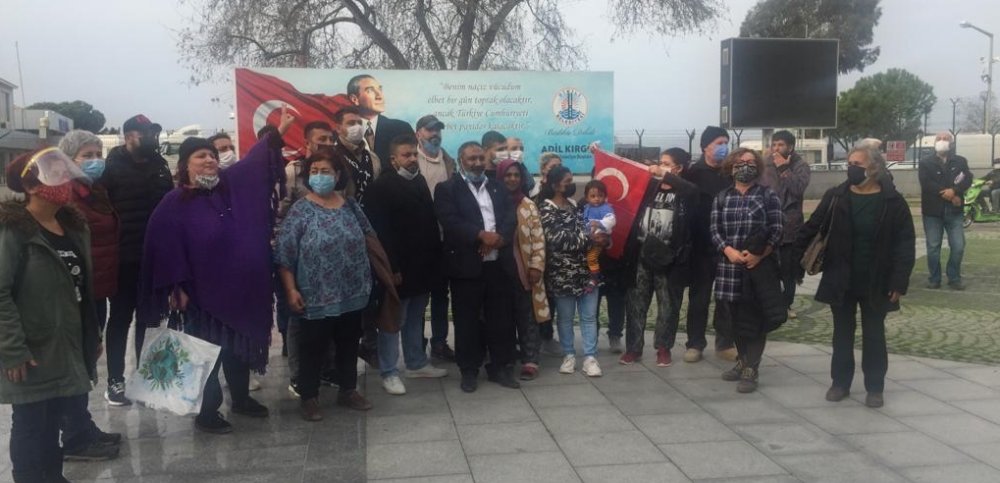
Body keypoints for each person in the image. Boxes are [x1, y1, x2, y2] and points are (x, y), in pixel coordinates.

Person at [138, 111, 295, 433]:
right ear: (185, 164)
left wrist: (276, 133)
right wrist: (176, 286)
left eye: (212, 155)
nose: (209, 160)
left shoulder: (230, 188)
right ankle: (207, 412)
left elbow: (253, 165)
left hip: (241, 290)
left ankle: (241, 399)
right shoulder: (174, 203)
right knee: (207, 353)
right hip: (202, 296)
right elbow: (164, 246)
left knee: (238, 347)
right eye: (201, 156)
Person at [1, 150, 102, 482]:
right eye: (55, 174)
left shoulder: (72, 227)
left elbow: (81, 289)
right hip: (32, 346)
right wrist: (13, 349)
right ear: (31, 186)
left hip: (67, 341)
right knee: (31, 420)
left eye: (65, 173)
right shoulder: (13, 231)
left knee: (55, 415)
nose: (65, 181)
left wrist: (92, 334)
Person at [797, 148, 915, 408]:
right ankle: (840, 383)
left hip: (877, 280)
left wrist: (899, 281)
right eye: (849, 162)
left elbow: (905, 244)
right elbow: (812, 227)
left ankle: (875, 387)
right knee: (842, 333)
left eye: (857, 163)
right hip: (840, 277)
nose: (851, 167)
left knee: (874, 334)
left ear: (874, 168)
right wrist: (792, 259)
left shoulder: (892, 201)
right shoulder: (836, 196)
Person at [276, 149, 380, 420]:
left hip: (352, 291)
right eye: (314, 171)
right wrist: (291, 290)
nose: (319, 176)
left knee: (349, 343)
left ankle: (348, 390)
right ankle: (309, 396)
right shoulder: (301, 210)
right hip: (316, 295)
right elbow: (285, 254)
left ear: (337, 175)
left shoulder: (350, 205)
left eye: (325, 171)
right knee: (313, 347)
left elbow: (370, 237)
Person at [99, 114, 174, 406]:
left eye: (154, 133)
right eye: (146, 134)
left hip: (154, 258)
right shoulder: (111, 168)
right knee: (120, 318)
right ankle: (115, 381)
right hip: (123, 258)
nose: (153, 139)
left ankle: (145, 378)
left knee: (149, 319)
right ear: (130, 136)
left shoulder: (160, 165)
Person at [56, 131, 122, 461]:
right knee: (77, 362)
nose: (96, 160)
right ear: (68, 158)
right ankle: (74, 437)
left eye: (98, 153)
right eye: (87, 154)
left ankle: (82, 426)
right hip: (78, 292)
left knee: (86, 361)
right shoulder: (63, 194)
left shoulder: (94, 190)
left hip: (99, 288)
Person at [366, 135, 449, 395]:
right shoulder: (381, 187)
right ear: (393, 159)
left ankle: (416, 362)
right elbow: (381, 232)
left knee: (415, 316)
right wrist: (392, 268)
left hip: (422, 265)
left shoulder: (419, 181)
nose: (412, 159)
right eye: (406, 155)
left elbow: (429, 223)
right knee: (393, 319)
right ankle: (389, 371)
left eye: (414, 154)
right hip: (398, 268)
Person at [434, 141, 519, 393]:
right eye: (472, 158)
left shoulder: (497, 186)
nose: (478, 163)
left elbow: (509, 217)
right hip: (466, 266)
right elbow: (450, 221)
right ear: (461, 160)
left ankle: (500, 367)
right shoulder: (447, 188)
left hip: (497, 265)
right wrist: (480, 236)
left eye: (481, 158)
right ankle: (469, 370)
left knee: (501, 319)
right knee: (466, 321)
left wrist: (498, 239)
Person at [711, 148, 783, 393]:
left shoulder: (767, 195)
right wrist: (727, 250)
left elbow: (777, 229)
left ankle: (752, 367)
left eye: (751, 162)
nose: (745, 166)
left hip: (757, 269)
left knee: (755, 319)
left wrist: (760, 254)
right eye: (740, 162)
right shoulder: (722, 197)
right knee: (734, 320)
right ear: (731, 167)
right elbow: (714, 230)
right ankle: (742, 361)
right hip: (729, 268)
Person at [620, 148, 698, 367]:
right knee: (636, 303)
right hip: (642, 253)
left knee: (668, 306)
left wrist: (665, 175)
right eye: (660, 162)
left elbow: (692, 192)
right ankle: (633, 349)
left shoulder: (686, 192)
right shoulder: (649, 187)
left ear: (678, 168)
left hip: (670, 258)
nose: (660, 166)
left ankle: (663, 348)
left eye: (666, 163)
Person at [279, 120, 337, 395]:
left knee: (331, 316)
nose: (326, 143)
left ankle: (328, 369)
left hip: (332, 263)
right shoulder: (293, 171)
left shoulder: (338, 170)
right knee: (299, 319)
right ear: (307, 142)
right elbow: (280, 211)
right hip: (299, 262)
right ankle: (298, 376)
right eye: (320, 139)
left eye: (330, 139)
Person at [539, 166, 608, 377]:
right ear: (555, 184)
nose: (572, 185)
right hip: (562, 273)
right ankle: (568, 355)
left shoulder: (574, 205)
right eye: (567, 181)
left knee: (589, 317)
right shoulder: (546, 208)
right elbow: (557, 239)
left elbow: (588, 228)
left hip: (587, 271)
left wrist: (602, 238)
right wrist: (589, 238)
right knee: (565, 318)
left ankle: (590, 357)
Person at [681, 126, 737, 363]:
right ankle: (695, 343)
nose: (724, 147)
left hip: (727, 247)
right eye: (719, 143)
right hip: (701, 247)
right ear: (705, 146)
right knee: (699, 298)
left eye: (726, 142)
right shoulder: (693, 174)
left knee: (726, 299)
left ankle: (725, 343)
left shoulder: (731, 173)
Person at [497, 159, 549, 381]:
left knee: (527, 316)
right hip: (498, 270)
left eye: (516, 175)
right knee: (503, 317)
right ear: (500, 177)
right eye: (507, 175)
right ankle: (506, 357)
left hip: (524, 270)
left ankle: (530, 360)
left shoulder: (528, 205)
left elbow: (539, 238)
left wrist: (536, 266)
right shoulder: (492, 201)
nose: (512, 179)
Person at [414, 114, 457, 362]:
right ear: (418, 133)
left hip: (444, 238)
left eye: (438, 130)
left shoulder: (449, 162)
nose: (435, 134)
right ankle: (416, 343)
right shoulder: (411, 160)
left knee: (441, 294)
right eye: (430, 130)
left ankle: (439, 342)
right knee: (419, 295)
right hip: (419, 239)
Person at [759, 130, 811, 319]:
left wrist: (784, 169)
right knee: (769, 268)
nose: (776, 148)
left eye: (780, 145)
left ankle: (786, 304)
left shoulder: (801, 165)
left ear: (790, 147)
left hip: (790, 225)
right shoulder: (766, 164)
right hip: (768, 223)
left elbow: (798, 189)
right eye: (774, 144)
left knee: (789, 270)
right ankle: (770, 304)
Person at [919, 132, 973, 290]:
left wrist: (955, 190)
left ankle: (954, 277)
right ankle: (934, 278)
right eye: (939, 139)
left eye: (945, 139)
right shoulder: (925, 162)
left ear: (952, 143)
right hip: (932, 212)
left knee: (958, 246)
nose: (942, 141)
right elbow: (926, 183)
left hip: (954, 212)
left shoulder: (960, 161)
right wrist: (948, 194)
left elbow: (967, 179)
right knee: (933, 247)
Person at [347, 74, 415, 172]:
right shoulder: (343, 133)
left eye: (380, 89)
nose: (379, 96)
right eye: (370, 90)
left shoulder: (402, 129)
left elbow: (413, 169)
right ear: (355, 99)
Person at [531, 152, 564, 353]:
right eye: (553, 167)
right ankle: (537, 337)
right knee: (539, 296)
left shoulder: (562, 193)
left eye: (560, 166)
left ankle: (548, 336)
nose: (557, 170)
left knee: (553, 298)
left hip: (557, 255)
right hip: (538, 251)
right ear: (543, 170)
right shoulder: (533, 192)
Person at [332, 106, 382, 208]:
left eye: (359, 123)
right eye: (351, 123)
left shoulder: (373, 157)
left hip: (371, 212)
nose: (357, 127)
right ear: (338, 128)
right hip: (343, 212)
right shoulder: (332, 156)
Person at [582, 180, 616, 291]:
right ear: (586, 198)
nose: (597, 199)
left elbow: (611, 220)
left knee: (591, 257)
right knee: (587, 257)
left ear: (605, 197)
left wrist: (598, 223)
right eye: (593, 196)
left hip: (598, 239)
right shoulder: (587, 207)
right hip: (588, 238)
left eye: (600, 196)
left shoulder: (605, 208)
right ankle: (592, 274)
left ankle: (595, 277)